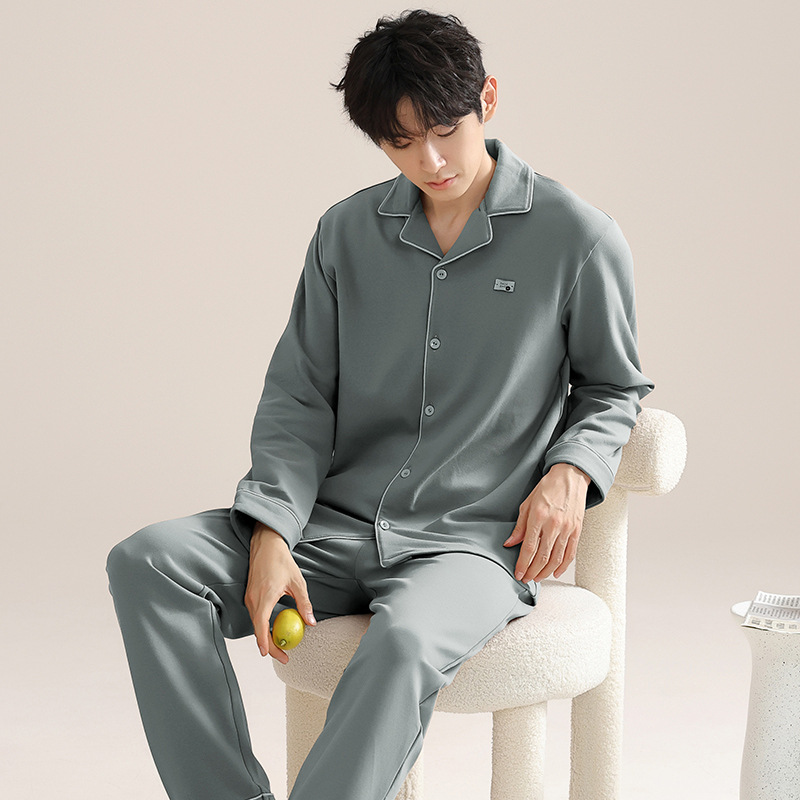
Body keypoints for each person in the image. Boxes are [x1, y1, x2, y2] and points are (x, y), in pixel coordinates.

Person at [105, 9, 656, 800]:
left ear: (487, 99)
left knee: (398, 648)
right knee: (148, 563)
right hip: (333, 524)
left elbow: (613, 385)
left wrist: (573, 470)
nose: (430, 161)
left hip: (469, 544)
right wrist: (272, 532)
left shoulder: (578, 237)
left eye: (445, 131)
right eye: (401, 142)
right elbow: (299, 398)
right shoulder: (345, 234)